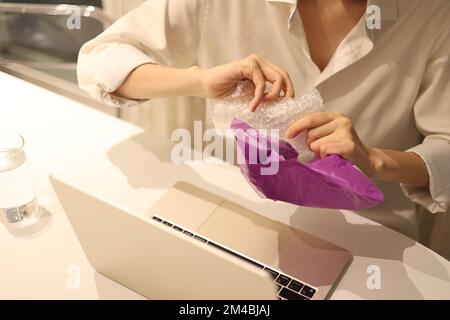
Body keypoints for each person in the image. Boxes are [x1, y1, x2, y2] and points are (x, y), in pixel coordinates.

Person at [77, 0, 450, 258]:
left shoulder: (435, 16)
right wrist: (199, 81)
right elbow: (102, 59)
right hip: (233, 213)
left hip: (365, 237)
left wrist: (376, 160)